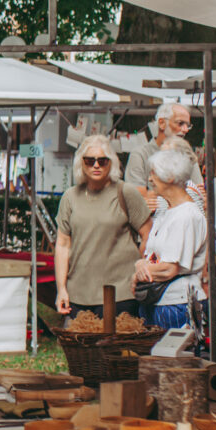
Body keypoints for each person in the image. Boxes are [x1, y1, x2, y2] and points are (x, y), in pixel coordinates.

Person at [53, 134, 151, 321]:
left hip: (121, 293)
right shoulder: (70, 197)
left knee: (116, 350)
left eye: (102, 161)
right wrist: (62, 289)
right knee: (81, 349)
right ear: (81, 163)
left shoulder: (125, 192)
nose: (96, 165)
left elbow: (149, 235)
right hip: (79, 293)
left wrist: (140, 268)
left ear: (111, 163)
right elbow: (63, 245)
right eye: (90, 161)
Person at [134, 149, 208, 332]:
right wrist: (140, 265)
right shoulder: (168, 211)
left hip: (177, 304)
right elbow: (154, 256)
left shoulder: (186, 216)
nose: (150, 180)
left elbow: (169, 268)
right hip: (159, 302)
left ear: (170, 177)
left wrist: (138, 273)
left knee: (174, 359)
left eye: (154, 173)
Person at [125, 103, 201, 195]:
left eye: (188, 125)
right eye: (180, 123)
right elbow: (137, 197)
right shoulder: (140, 154)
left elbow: (199, 195)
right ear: (162, 123)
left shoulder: (188, 156)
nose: (185, 130)